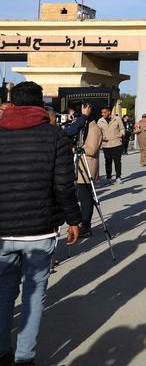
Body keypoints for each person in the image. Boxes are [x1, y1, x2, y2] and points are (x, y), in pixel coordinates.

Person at [0, 82, 80, 365]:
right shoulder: (54, 136)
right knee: (34, 294)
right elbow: (64, 185)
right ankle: (24, 357)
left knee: (3, 290)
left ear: (11, 104)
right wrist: (74, 219)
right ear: (40, 106)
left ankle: (2, 353)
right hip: (39, 231)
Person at [75, 107, 102, 238]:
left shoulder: (94, 128)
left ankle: (86, 225)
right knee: (80, 197)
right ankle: (80, 223)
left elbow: (91, 149)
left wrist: (76, 147)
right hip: (79, 167)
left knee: (86, 199)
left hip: (87, 167)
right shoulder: (84, 128)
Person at [97, 106, 125, 184]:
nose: (103, 114)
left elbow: (122, 128)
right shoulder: (100, 121)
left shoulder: (117, 119)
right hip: (106, 144)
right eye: (102, 113)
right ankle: (108, 178)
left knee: (117, 161)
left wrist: (122, 134)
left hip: (117, 143)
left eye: (104, 112)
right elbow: (98, 133)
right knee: (108, 161)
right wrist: (102, 138)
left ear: (109, 112)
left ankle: (118, 177)